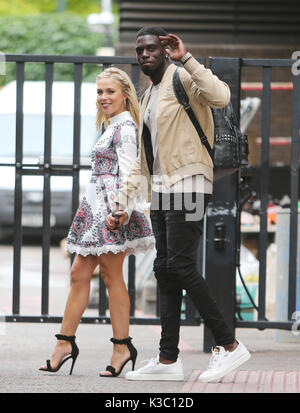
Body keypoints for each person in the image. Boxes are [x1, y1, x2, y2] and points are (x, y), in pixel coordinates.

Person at [106, 27, 251, 383]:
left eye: (152, 48)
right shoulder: (148, 94)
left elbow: (220, 96)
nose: (145, 55)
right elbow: (144, 159)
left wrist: (186, 56)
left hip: (188, 183)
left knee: (181, 266)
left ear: (164, 50)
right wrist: (123, 203)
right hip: (160, 189)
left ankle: (229, 345)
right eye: (140, 50)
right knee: (165, 269)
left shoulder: (182, 77)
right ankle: (168, 359)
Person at [39, 67, 155, 377]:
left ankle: (121, 347)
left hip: (111, 212)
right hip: (96, 211)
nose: (103, 97)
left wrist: (123, 211)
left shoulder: (126, 128)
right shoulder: (111, 126)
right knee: (79, 273)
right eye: (100, 92)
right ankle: (65, 343)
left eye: (110, 92)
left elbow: (133, 173)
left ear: (125, 95)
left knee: (111, 276)